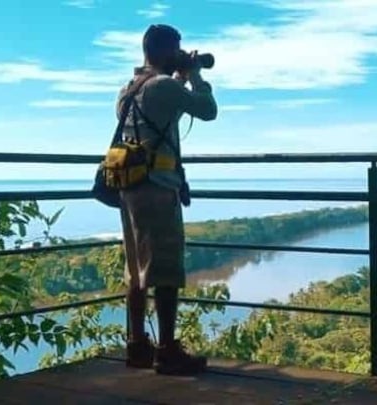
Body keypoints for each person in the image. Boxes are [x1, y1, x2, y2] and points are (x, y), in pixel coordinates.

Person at [116, 23, 217, 375]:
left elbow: (159, 133)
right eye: (176, 49)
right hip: (157, 188)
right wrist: (195, 75)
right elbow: (207, 110)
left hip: (130, 188)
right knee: (165, 269)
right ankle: (168, 351)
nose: (181, 54)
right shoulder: (163, 86)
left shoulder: (129, 88)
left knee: (136, 268)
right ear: (163, 50)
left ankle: (137, 345)